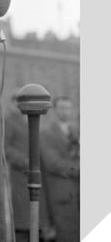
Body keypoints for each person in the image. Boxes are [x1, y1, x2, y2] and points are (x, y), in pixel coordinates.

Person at [4, 94, 53, 242]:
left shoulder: (35, 118)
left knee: (38, 217)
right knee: (23, 219)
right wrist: (24, 161)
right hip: (21, 174)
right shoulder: (9, 121)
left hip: (40, 172)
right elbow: (4, 148)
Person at [40, 96, 79, 242]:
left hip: (79, 193)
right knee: (67, 235)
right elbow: (53, 163)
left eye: (68, 108)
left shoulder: (78, 130)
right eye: (62, 108)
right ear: (55, 110)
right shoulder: (46, 133)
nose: (66, 112)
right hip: (61, 194)